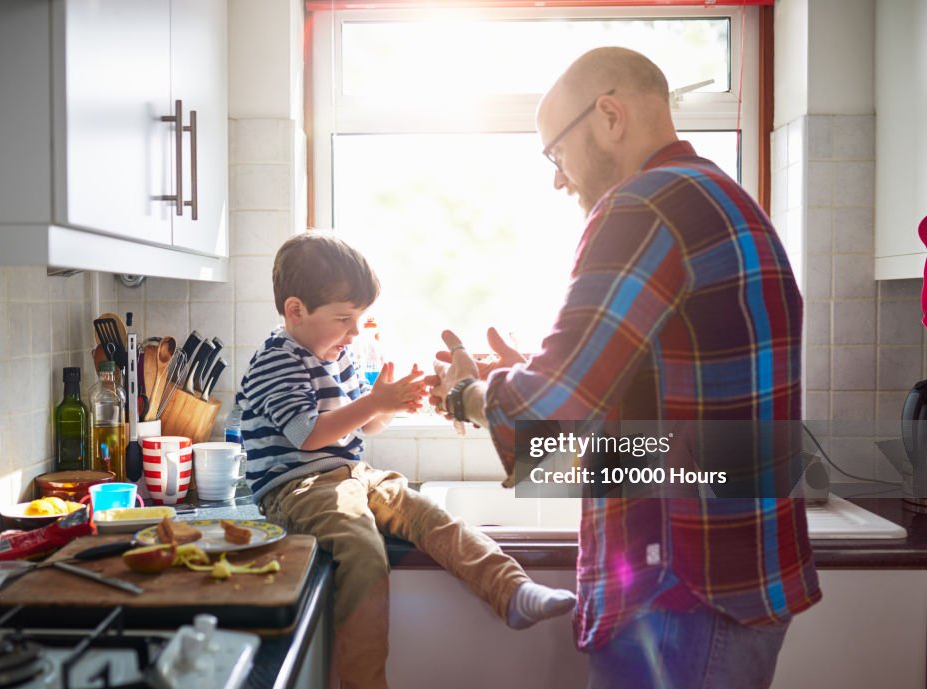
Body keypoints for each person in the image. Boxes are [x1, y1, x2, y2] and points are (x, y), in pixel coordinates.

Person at [428, 47, 822, 689]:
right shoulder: (728, 199)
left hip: (679, 595)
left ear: (609, 115)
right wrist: (533, 377)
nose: (558, 179)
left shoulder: (641, 206)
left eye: (556, 152)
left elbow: (552, 408)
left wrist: (469, 394)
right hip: (741, 583)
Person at [239, 232, 576, 689]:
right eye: (343, 318)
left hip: (350, 476)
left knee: (431, 515)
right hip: (296, 488)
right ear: (295, 310)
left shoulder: (340, 354)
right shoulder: (276, 360)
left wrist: (391, 405)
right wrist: (375, 402)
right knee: (363, 552)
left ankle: (511, 591)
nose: (354, 332)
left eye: (360, 318)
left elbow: (364, 426)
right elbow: (310, 434)